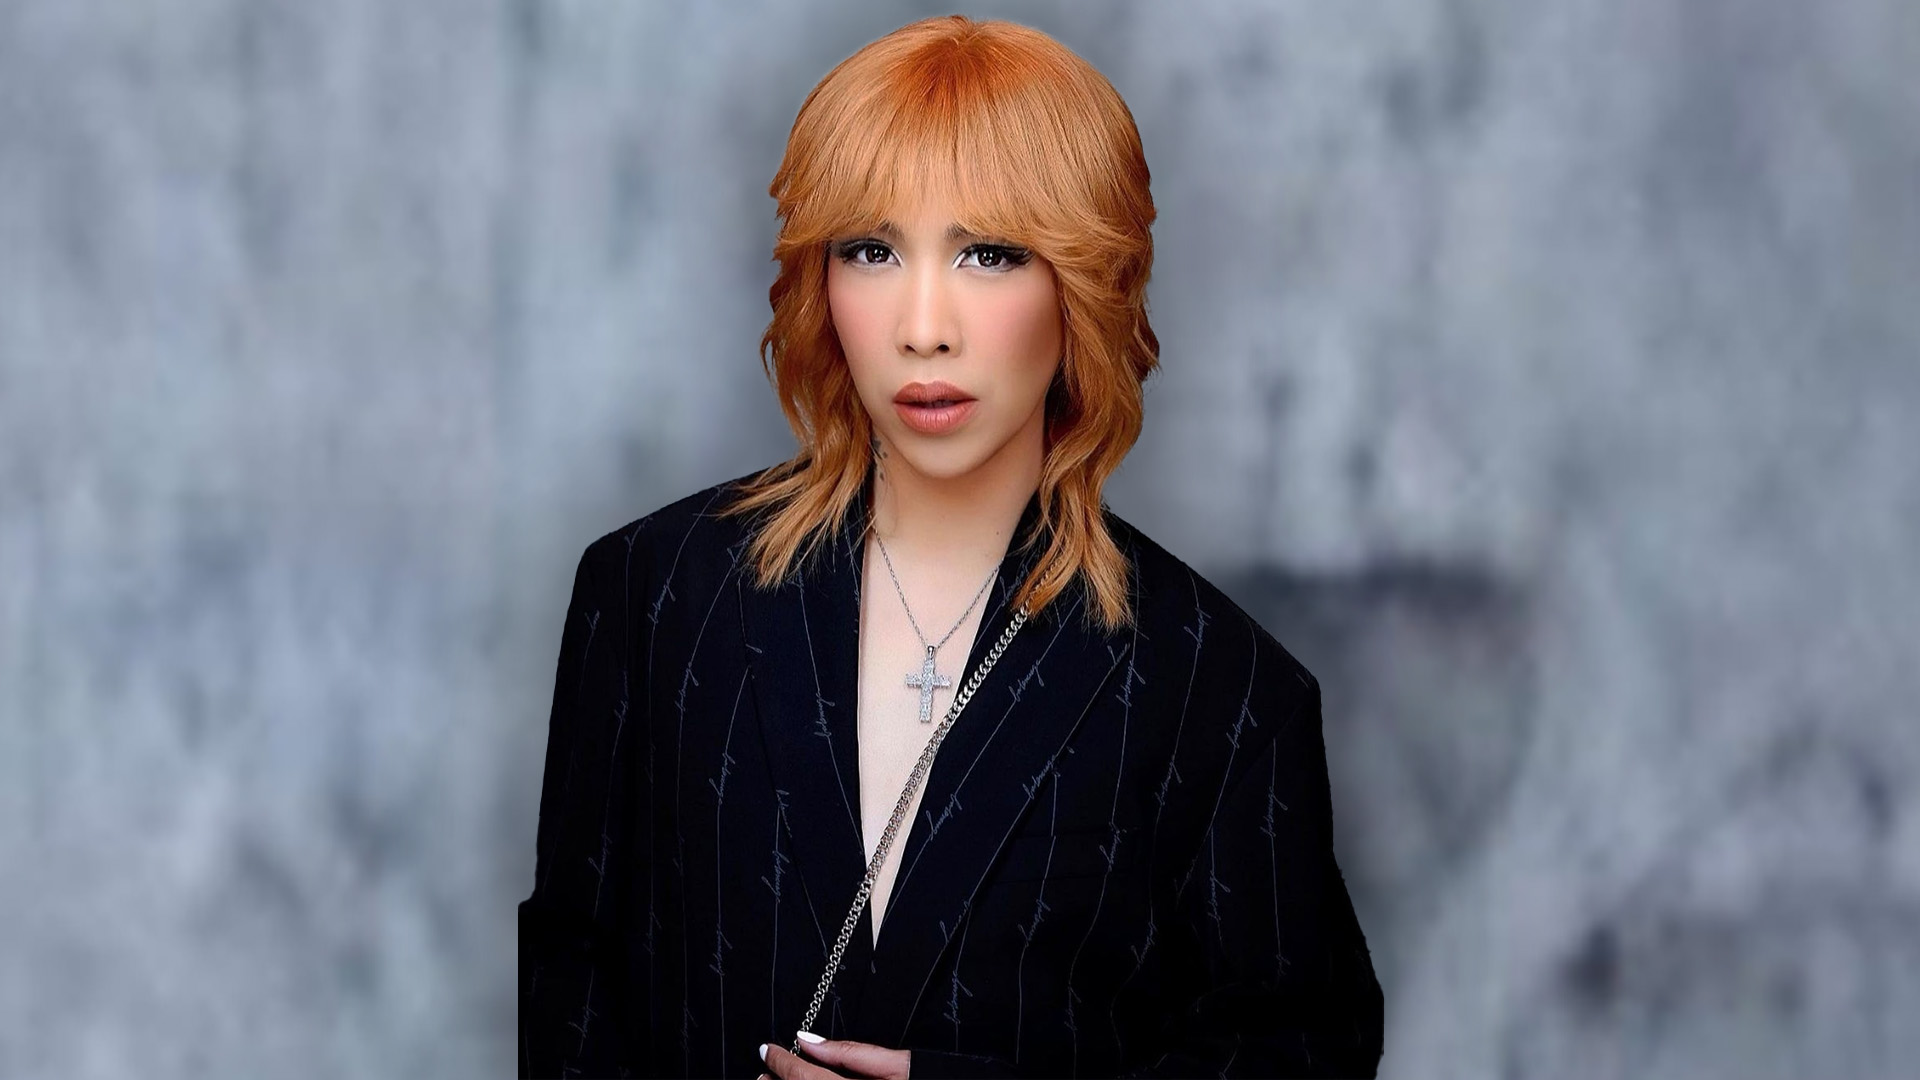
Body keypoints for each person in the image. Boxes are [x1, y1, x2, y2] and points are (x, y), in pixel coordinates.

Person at [519, 15, 1383, 1079]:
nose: (923, 326)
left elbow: (1299, 1053)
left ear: (1085, 285)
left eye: (990, 253)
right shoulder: (656, 597)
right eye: (871, 251)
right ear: (818, 282)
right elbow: (570, 993)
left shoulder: (1224, 690)